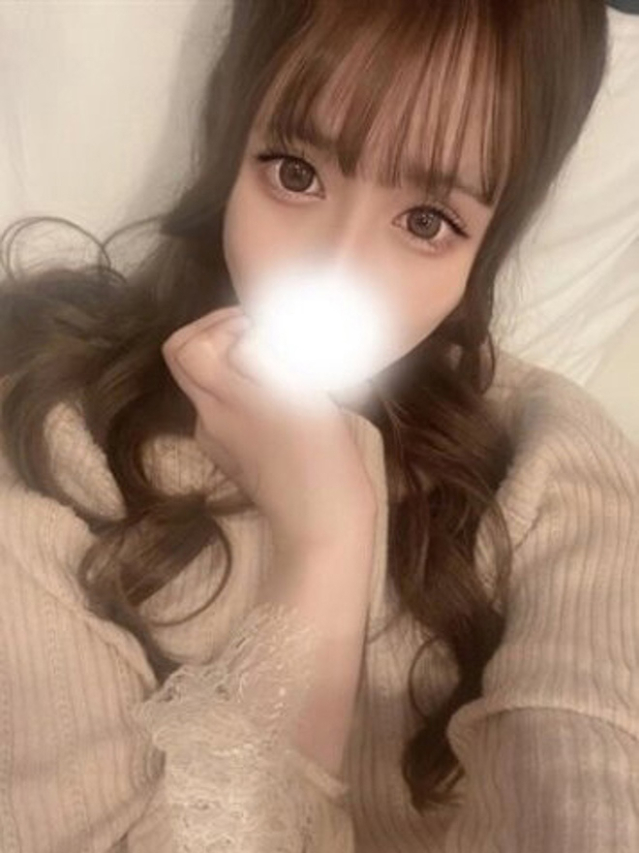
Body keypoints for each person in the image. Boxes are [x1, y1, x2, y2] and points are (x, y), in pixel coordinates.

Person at [1, 1, 638, 852]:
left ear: (484, 249)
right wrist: (324, 541)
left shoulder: (546, 460)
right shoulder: (53, 444)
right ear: (232, 146)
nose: (334, 270)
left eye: (426, 221)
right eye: (295, 172)